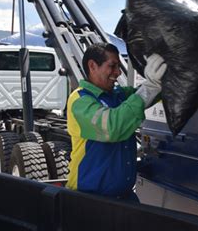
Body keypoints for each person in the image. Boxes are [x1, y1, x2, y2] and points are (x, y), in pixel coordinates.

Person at [66, 42, 166, 199]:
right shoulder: (80, 100)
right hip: (89, 201)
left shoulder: (118, 95)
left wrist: (163, 79)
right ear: (92, 66)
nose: (118, 72)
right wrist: (150, 87)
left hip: (124, 197)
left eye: (119, 66)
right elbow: (112, 128)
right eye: (112, 66)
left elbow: (145, 97)